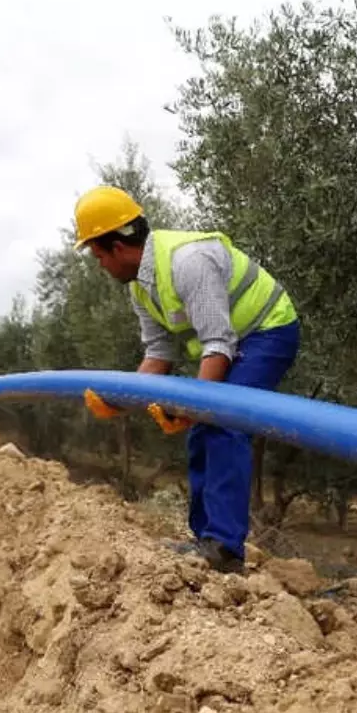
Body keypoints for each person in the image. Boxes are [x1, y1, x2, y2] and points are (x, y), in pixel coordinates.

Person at [74, 185, 300, 574]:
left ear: (117, 247)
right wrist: (119, 399)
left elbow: (218, 343)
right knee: (200, 433)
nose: (100, 267)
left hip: (269, 330)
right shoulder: (140, 289)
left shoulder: (188, 263)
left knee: (224, 423)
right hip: (231, 342)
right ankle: (205, 541)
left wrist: (196, 408)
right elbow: (158, 355)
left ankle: (226, 552)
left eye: (98, 256)